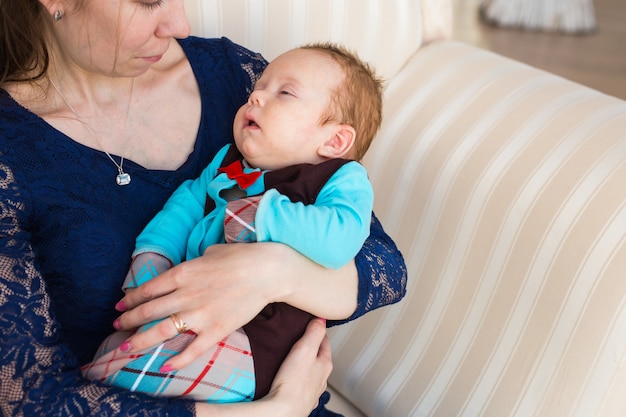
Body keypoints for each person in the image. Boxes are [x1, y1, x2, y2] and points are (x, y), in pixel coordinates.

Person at [0, 0, 407, 416]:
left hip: (265, 370)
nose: (181, 24)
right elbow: (28, 399)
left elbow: (385, 266)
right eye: (150, 2)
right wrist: (274, 411)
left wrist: (271, 273)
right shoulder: (9, 156)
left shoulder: (236, 75)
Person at [81, 42, 384, 403]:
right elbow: (188, 203)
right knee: (116, 345)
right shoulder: (229, 160)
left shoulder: (341, 177)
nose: (256, 98)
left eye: (284, 93)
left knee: (130, 372)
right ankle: (92, 389)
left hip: (260, 343)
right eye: (258, 88)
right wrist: (154, 253)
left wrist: (263, 215)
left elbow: (341, 237)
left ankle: (84, 396)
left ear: (335, 140)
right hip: (193, 312)